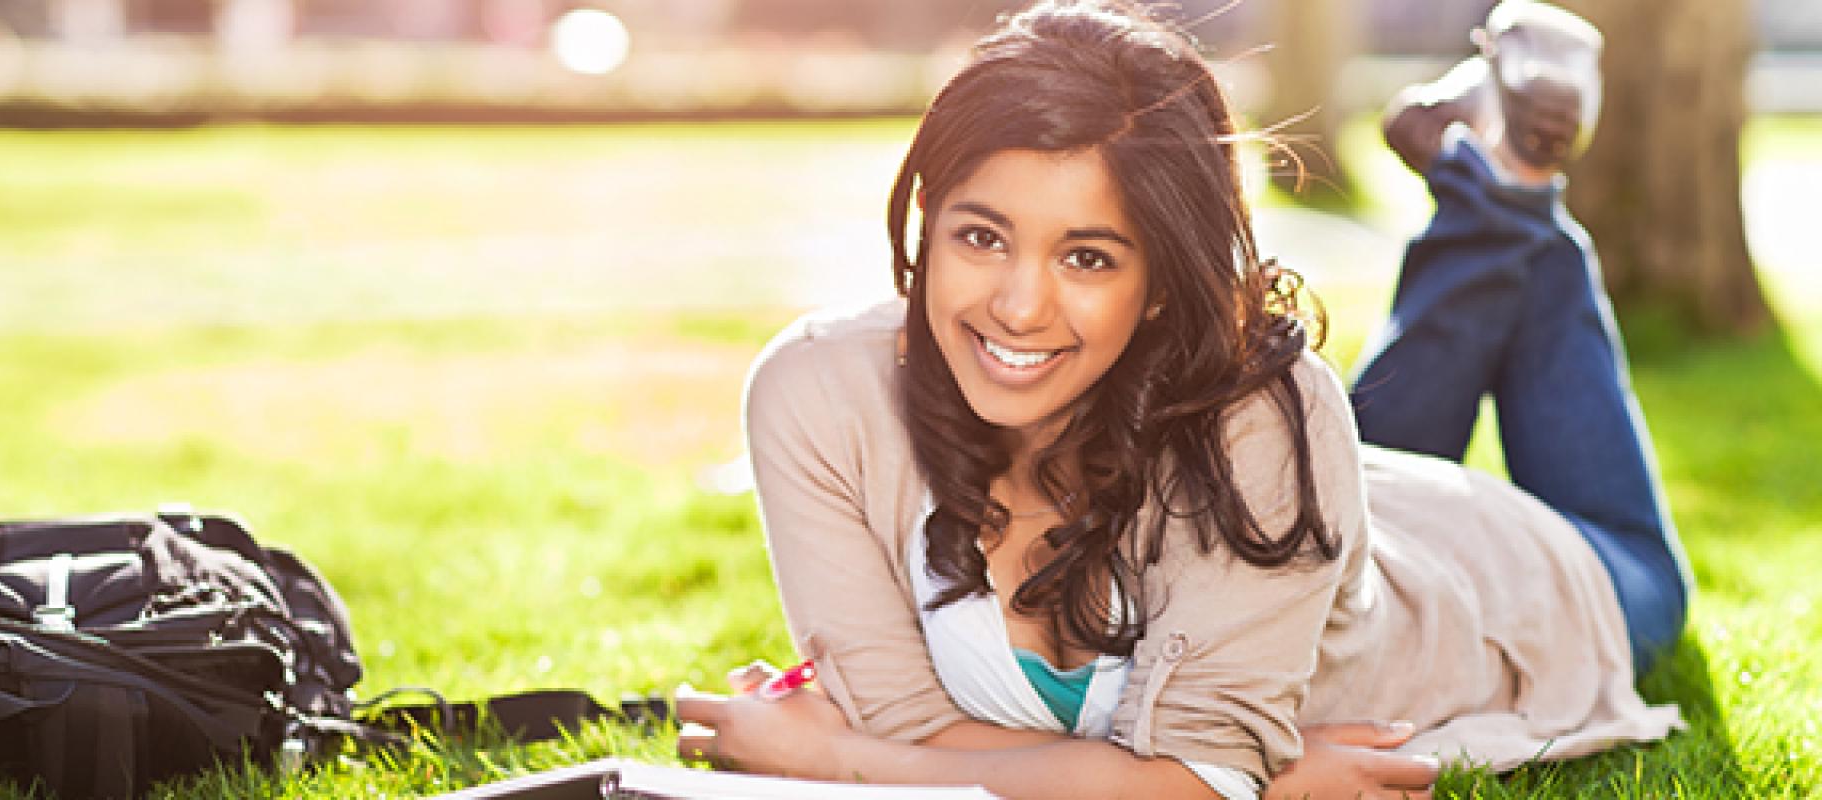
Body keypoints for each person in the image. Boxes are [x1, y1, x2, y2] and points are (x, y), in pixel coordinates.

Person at [676, 1, 1692, 797]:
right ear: (930, 220)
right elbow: (912, 722)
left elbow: (1183, 781)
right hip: (1283, 513)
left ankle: (1514, 185)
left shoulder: (1267, 421)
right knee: (1299, 439)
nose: (1017, 306)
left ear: (1161, 276)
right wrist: (1182, 781)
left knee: (1635, 566)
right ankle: (1497, 176)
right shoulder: (818, 392)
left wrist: (831, 764)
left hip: (1505, 583)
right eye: (982, 235)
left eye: (1087, 255)